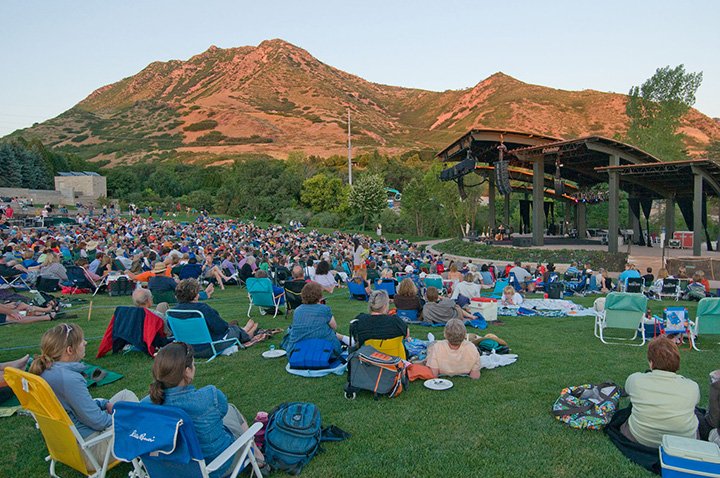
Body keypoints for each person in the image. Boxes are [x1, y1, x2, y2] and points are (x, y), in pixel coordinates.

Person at [144, 342, 266, 476]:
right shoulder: (210, 396)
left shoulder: (145, 405)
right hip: (215, 466)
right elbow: (222, 411)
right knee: (232, 410)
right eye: (193, 365)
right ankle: (256, 452)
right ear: (187, 371)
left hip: (168, 468)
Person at [29, 324, 138, 470]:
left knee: (125, 395)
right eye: (82, 341)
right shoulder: (69, 379)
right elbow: (98, 422)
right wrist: (120, 418)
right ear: (69, 350)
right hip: (91, 450)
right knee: (139, 417)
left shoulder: (46, 371)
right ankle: (143, 443)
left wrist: (105, 404)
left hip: (66, 445)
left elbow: (78, 408)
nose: (85, 343)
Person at [621, 337, 699, 448]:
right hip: (683, 441)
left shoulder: (636, 380)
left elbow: (628, 391)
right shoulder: (692, 387)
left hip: (641, 438)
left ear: (651, 363)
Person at [172, 279, 257, 356]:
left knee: (231, 328)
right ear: (195, 295)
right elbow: (221, 328)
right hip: (208, 347)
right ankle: (247, 334)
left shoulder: (172, 312)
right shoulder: (202, 309)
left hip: (186, 349)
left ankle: (244, 330)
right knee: (233, 329)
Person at [282, 281, 346, 357]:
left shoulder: (297, 310)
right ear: (320, 296)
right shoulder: (324, 309)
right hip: (325, 350)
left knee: (290, 331)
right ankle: (347, 339)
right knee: (329, 333)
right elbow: (334, 326)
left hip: (297, 351)